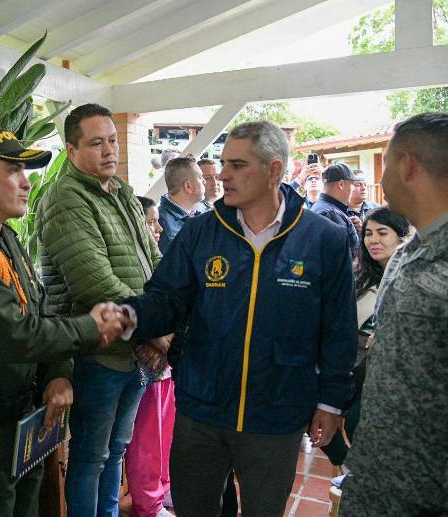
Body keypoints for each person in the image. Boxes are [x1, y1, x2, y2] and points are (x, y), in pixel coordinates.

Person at [121, 121, 357, 517]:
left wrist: (331, 403)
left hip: (277, 411)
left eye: (237, 164)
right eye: (223, 163)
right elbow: (166, 298)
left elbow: (338, 328)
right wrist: (127, 316)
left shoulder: (322, 238)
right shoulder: (200, 232)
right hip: (201, 409)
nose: (223, 175)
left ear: (274, 170)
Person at [0, 128, 126, 517]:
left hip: (22, 422)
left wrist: (58, 374)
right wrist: (90, 328)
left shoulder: (5, 241)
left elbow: (42, 309)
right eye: (14, 171)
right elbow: (13, 334)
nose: (27, 183)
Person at [36, 103, 161, 517]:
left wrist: (167, 312)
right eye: (96, 143)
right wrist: (156, 327)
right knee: (91, 455)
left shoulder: (121, 192)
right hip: (97, 351)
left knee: (116, 449)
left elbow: (153, 260)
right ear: (71, 151)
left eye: (112, 140)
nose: (110, 150)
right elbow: (95, 285)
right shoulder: (65, 198)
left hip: (133, 350)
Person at [341, 112, 448, 517]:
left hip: (428, 492)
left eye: (384, 165)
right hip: (378, 475)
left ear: (407, 166)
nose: (379, 181)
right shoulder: (408, 251)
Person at [320, 206, 411, 468]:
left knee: (358, 419)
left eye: (383, 233)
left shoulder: (411, 278)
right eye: (368, 233)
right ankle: (349, 465)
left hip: (386, 372)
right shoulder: (359, 276)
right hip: (352, 363)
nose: (373, 240)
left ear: (402, 236)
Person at [124, 196, 174, 517]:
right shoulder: (130, 260)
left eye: (157, 221)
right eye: (150, 221)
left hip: (167, 359)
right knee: (146, 436)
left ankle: (164, 487)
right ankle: (148, 501)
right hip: (146, 359)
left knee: (165, 430)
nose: (157, 228)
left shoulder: (156, 257)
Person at [157, 156, 206, 252]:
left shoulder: (200, 212)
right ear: (188, 186)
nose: (205, 182)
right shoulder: (163, 224)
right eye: (200, 178)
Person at [310, 162, 361, 253]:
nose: (353, 189)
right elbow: (343, 257)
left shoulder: (320, 208)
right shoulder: (331, 214)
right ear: (341, 184)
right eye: (352, 184)